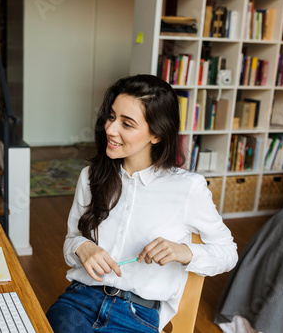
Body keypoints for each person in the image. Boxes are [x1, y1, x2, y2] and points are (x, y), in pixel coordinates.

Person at [46, 74, 238, 333]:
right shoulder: (91, 176)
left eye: (127, 124)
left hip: (137, 316)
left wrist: (185, 252)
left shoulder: (188, 188)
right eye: (112, 117)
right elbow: (71, 240)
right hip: (79, 302)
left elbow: (228, 253)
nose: (111, 129)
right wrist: (82, 246)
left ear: (157, 134)